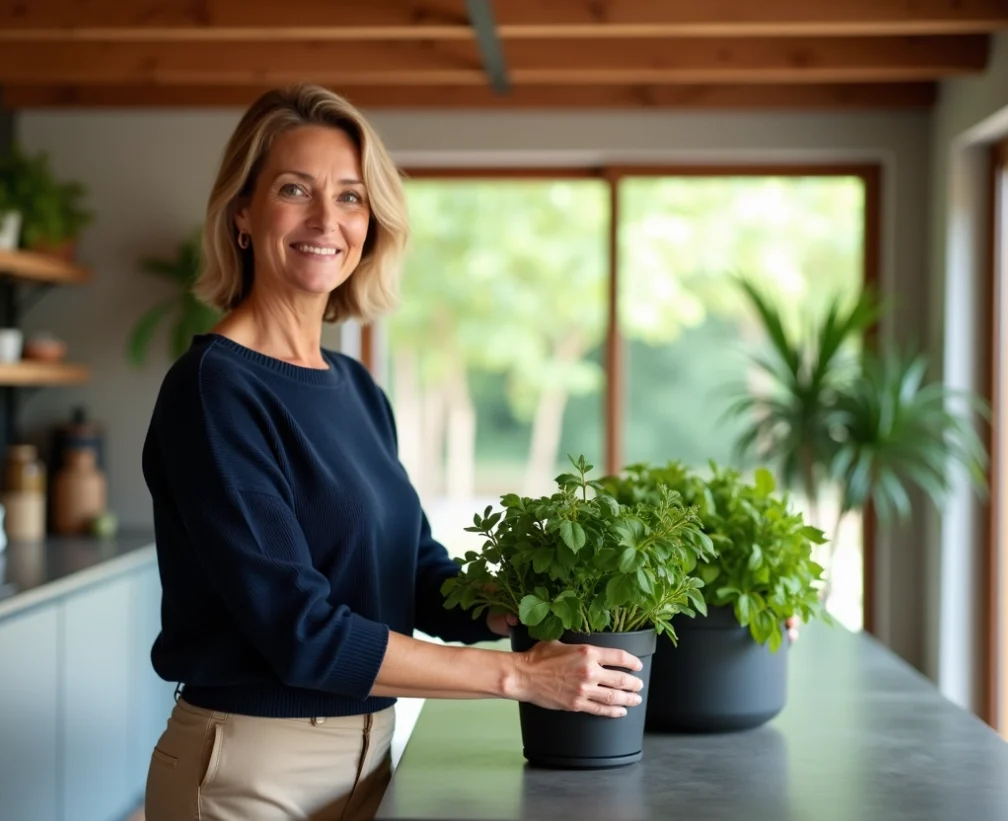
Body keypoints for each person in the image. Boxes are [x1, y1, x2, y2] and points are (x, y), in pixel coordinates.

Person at [141, 82, 654, 821]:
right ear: (243, 214)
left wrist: (530, 600)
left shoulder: (354, 386)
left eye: (350, 197)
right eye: (295, 189)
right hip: (248, 773)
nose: (327, 219)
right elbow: (303, 633)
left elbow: (415, 573)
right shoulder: (214, 390)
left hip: (372, 757)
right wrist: (519, 676)